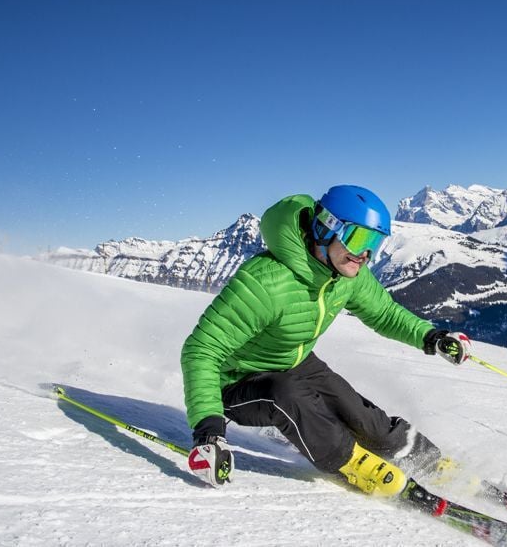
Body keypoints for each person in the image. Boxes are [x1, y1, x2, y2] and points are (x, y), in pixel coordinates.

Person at [180, 185, 472, 496]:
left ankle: (426, 460)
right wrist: (208, 432)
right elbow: (201, 351)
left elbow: (384, 313)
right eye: (359, 239)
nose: (365, 255)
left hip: (293, 360)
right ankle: (353, 463)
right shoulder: (266, 282)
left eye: (374, 243)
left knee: (359, 414)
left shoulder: (345, 275)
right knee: (287, 393)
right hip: (235, 381)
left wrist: (432, 337)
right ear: (325, 228)